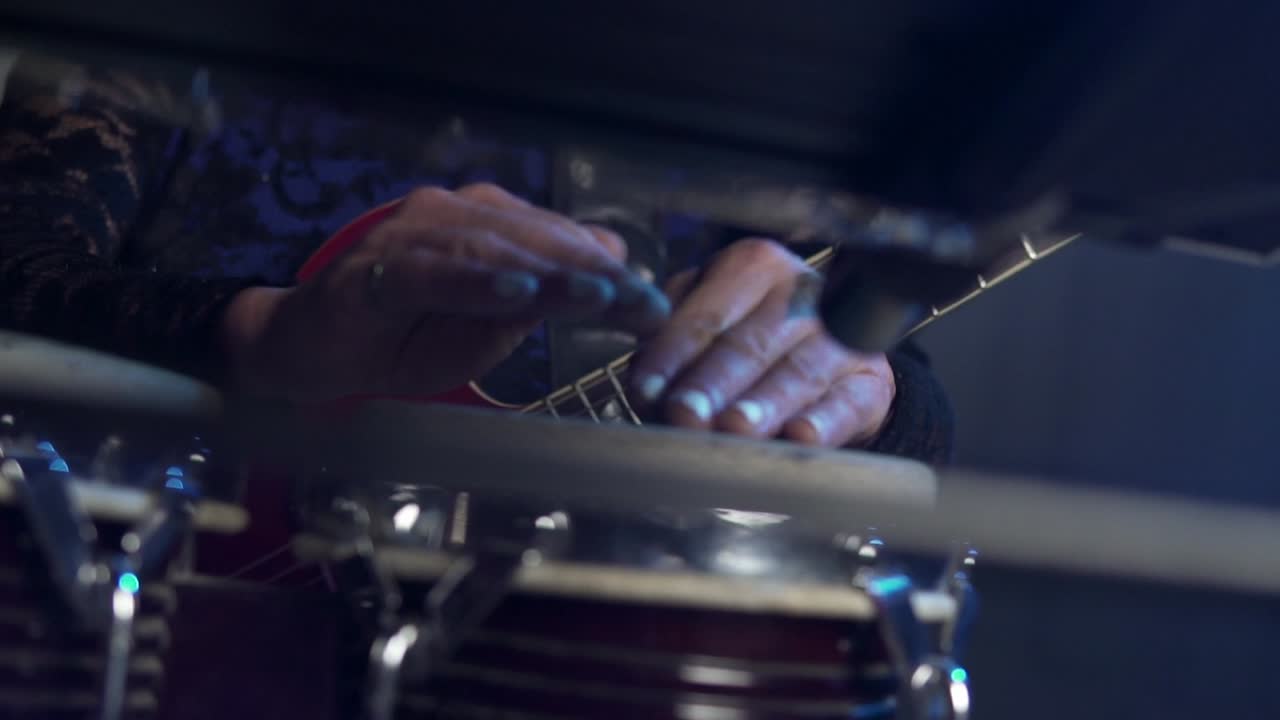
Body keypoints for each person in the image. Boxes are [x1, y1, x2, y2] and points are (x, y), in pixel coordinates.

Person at [0, 52, 953, 463]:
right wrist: (261, 334)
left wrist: (865, 390)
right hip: (151, 611)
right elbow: (17, 267)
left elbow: (906, 395)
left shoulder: (755, 63)